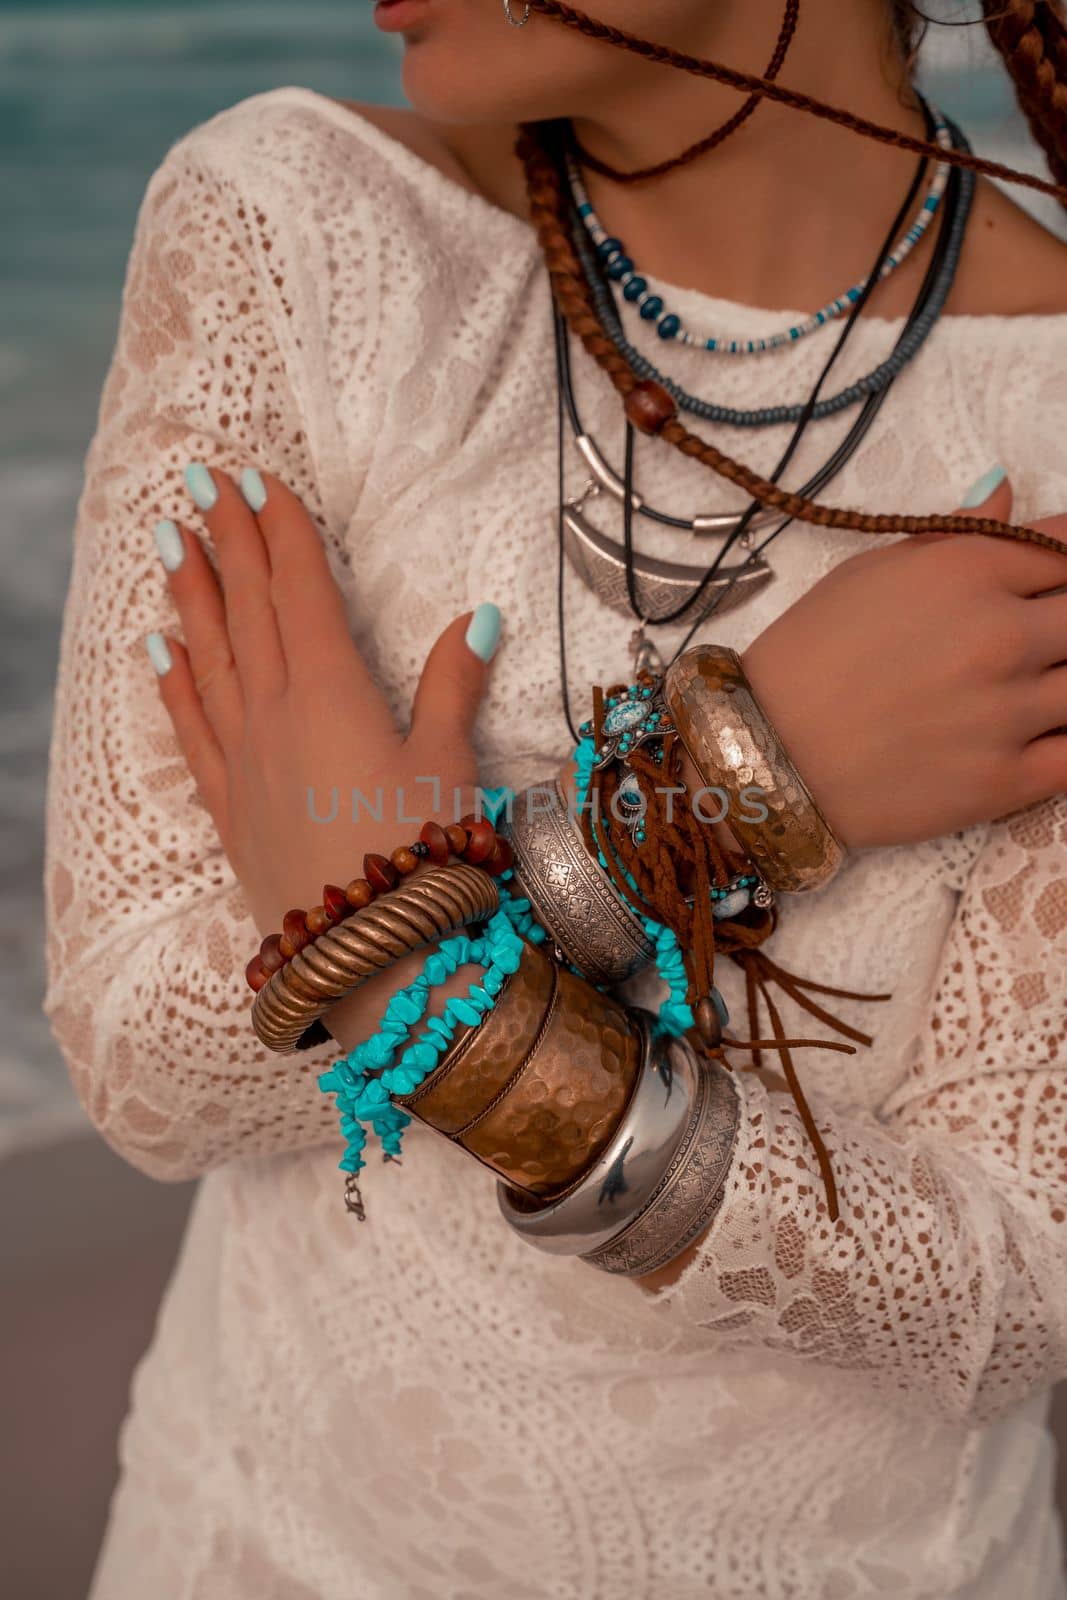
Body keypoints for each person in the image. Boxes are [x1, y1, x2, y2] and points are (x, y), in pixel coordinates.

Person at [42, 1, 1067, 1593]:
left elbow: (1015, 1295)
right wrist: (706, 798)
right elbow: (142, 1057)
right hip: (262, 1543)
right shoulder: (299, 233)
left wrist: (405, 953)